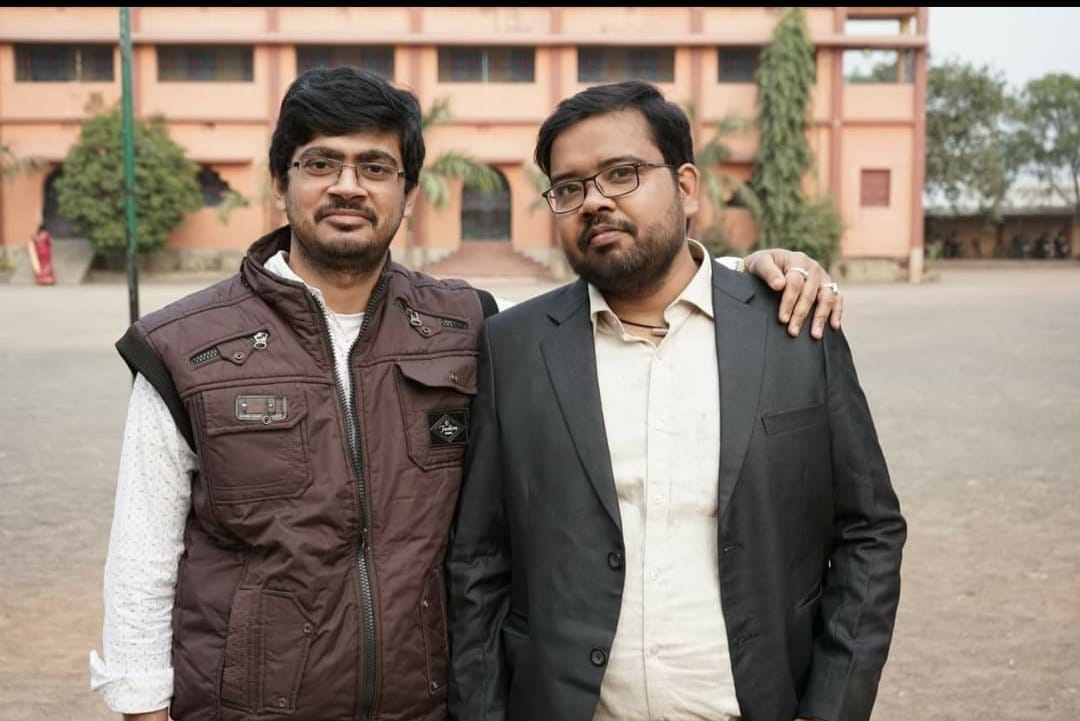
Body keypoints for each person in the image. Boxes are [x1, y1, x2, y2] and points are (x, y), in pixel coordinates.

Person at [89, 68, 842, 721]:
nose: (348, 185)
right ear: (281, 184)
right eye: (321, 163)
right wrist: (142, 702)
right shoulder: (186, 347)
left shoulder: (468, 324)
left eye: (376, 166)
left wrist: (743, 274)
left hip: (426, 702)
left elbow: (621, 294)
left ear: (408, 194)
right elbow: (142, 559)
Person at [446, 81, 905, 721]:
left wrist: (830, 708)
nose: (594, 201)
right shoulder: (514, 346)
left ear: (687, 187)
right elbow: (478, 561)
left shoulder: (793, 326)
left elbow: (869, 530)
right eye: (569, 188)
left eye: (622, 173)